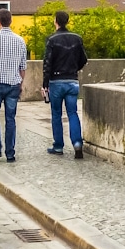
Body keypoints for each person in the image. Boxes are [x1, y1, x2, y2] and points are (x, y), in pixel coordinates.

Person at [0, 9, 27, 163]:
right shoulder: (20, 40)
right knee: (10, 118)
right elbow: (23, 67)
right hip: (14, 84)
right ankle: (10, 153)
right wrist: (21, 83)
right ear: (11, 21)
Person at [42, 10, 88, 159]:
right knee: (72, 113)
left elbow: (47, 64)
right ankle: (77, 143)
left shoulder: (52, 39)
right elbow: (83, 59)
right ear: (67, 21)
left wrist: (45, 84)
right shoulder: (77, 38)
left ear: (55, 21)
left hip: (56, 81)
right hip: (72, 81)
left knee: (56, 114)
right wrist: (73, 70)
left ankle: (58, 146)